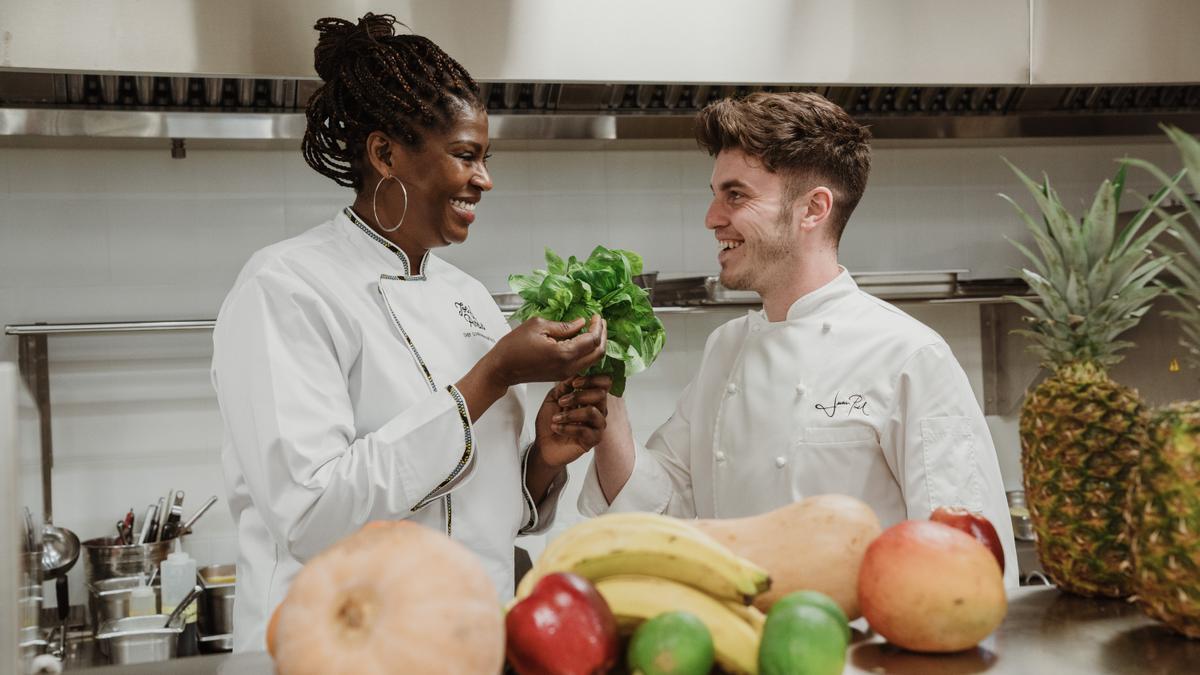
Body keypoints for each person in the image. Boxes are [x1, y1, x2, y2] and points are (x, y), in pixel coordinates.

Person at [211, 14, 612, 652]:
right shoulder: (287, 287)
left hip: (465, 643)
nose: (484, 179)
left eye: (485, 157)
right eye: (465, 155)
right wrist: (493, 376)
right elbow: (314, 514)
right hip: (336, 650)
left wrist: (540, 462)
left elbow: (478, 516)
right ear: (385, 154)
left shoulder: (468, 298)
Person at [576, 91, 1018, 586]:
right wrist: (605, 392)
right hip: (742, 644)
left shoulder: (909, 356)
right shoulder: (725, 348)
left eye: (735, 194)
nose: (711, 217)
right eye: (715, 193)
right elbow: (664, 509)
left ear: (813, 209)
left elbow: (969, 563)